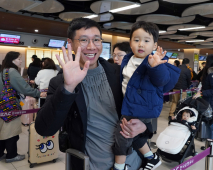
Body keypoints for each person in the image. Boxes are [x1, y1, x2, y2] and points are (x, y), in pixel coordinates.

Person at [35, 18, 148, 170]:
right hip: (93, 165)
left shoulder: (117, 73)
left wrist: (144, 126)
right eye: (83, 40)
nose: (91, 46)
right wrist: (68, 87)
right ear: (70, 43)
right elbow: (44, 129)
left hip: (132, 160)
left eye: (96, 40)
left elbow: (144, 103)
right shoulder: (59, 83)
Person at [112, 21, 180, 170]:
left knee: (122, 134)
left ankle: (119, 166)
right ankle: (151, 157)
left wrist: (156, 67)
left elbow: (162, 81)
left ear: (155, 45)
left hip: (143, 107)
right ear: (130, 43)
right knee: (133, 135)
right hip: (130, 104)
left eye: (146, 41)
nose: (141, 44)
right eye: (136, 40)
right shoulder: (127, 60)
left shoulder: (154, 61)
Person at [0, 52, 46, 163]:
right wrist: (38, 93)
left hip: (2, 105)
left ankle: (0, 153)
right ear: (12, 60)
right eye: (19, 59)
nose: (21, 61)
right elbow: (24, 88)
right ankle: (12, 155)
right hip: (10, 106)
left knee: (3, 130)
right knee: (12, 132)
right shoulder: (12, 71)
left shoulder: (3, 70)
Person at [193, 54, 213, 157]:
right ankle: (209, 146)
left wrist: (201, 93)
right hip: (208, 102)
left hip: (212, 103)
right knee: (209, 124)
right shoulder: (209, 72)